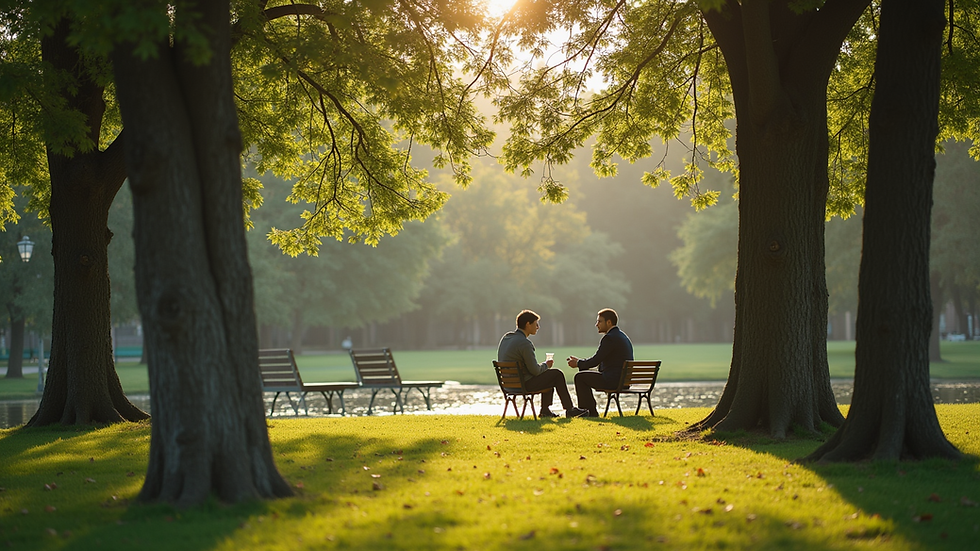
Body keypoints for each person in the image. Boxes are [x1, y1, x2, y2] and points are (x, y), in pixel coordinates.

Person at [497, 310, 588, 419]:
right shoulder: (525, 343)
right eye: (536, 324)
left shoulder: (506, 338)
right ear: (527, 324)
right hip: (524, 384)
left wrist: (544, 368)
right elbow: (535, 371)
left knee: (549, 375)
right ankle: (569, 409)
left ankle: (546, 410)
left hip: (508, 385)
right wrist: (546, 365)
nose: (538, 327)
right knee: (556, 374)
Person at [567, 308, 633, 417]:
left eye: (599, 321)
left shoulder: (609, 338)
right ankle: (589, 411)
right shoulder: (622, 336)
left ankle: (588, 412)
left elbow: (596, 360)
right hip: (622, 380)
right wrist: (581, 362)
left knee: (580, 377)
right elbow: (601, 361)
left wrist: (578, 363)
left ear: (609, 322)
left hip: (613, 380)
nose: (596, 324)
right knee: (584, 375)